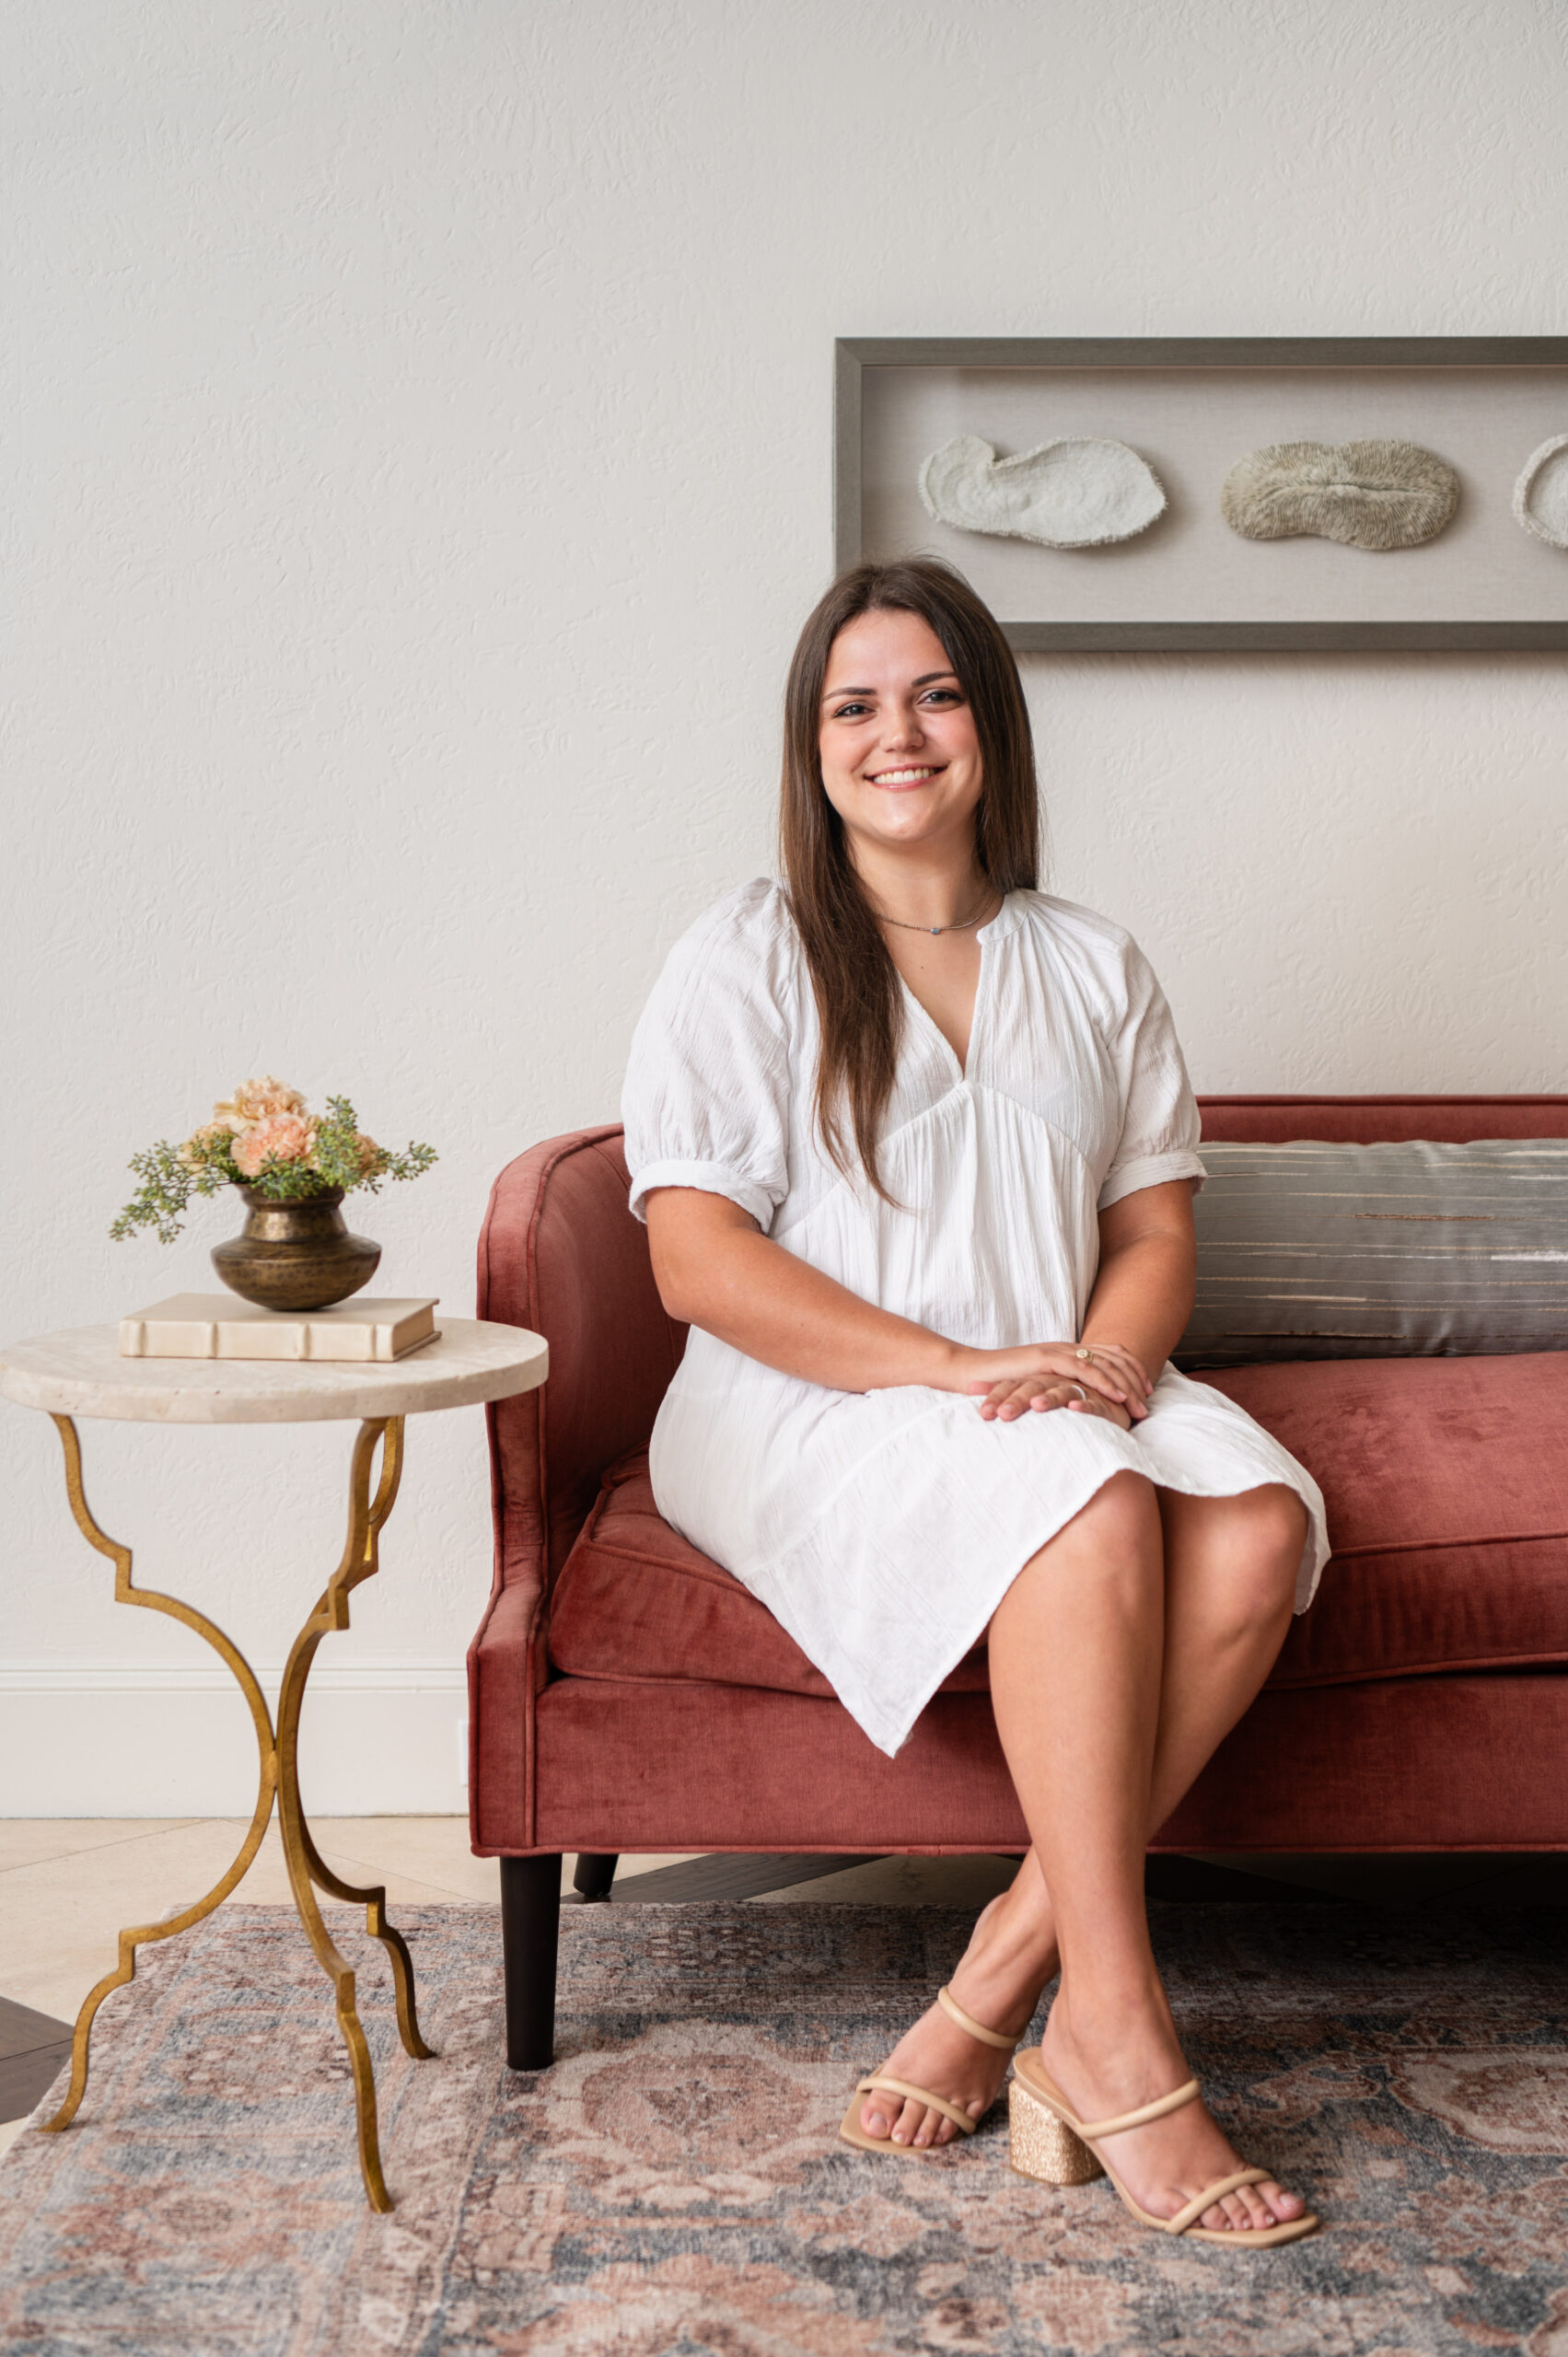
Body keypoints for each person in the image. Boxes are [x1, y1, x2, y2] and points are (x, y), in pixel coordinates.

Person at [621, 557, 1328, 2247]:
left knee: (1256, 1525)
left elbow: (1155, 1229)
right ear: (811, 748)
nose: (897, 733)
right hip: (810, 1394)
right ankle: (1130, 2037)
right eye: (853, 705)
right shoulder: (745, 955)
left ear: (991, 723)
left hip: (1053, 1376)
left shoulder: (1092, 960)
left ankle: (1010, 1982)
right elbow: (694, 1263)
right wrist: (961, 1370)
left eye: (933, 693)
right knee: (1090, 1502)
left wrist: (1112, 1364)